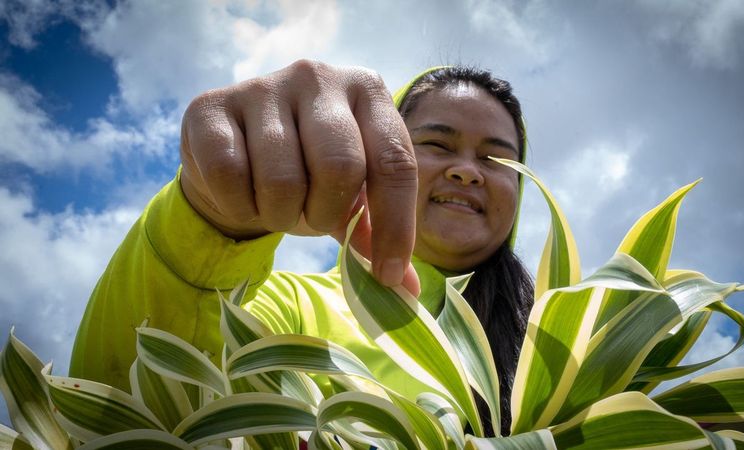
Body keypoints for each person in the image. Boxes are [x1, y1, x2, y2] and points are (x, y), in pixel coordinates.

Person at [70, 60, 534, 435]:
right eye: (437, 142)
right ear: (381, 153)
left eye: (497, 159)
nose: (468, 171)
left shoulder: (561, 338)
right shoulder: (289, 307)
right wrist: (211, 222)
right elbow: (131, 409)